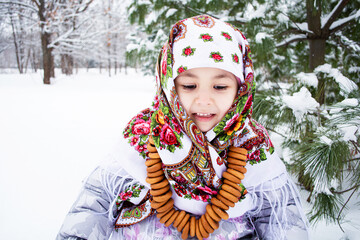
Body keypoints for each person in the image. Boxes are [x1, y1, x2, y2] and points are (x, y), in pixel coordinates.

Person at [57, 15, 309, 240]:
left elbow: (283, 218)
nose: (204, 100)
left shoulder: (251, 143)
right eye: (189, 86)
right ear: (169, 85)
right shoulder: (145, 134)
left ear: (240, 90)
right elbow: (95, 203)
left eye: (220, 87)